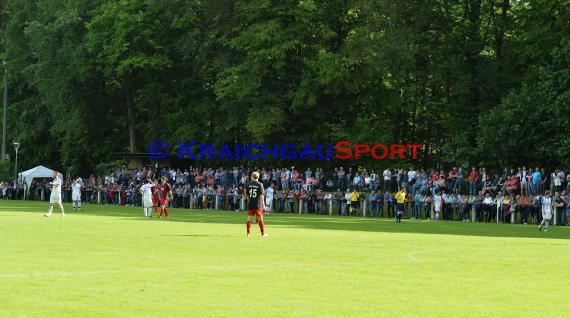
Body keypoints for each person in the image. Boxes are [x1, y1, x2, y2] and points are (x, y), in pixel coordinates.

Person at [245, 171, 268, 237]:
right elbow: (261, 195)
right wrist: (263, 205)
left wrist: (249, 200)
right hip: (258, 204)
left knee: (249, 219)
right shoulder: (260, 184)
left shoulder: (248, 184)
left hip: (250, 204)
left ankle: (248, 234)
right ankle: (263, 234)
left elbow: (246, 194)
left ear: (252, 177)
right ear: (258, 177)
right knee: (260, 219)